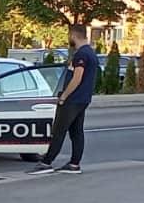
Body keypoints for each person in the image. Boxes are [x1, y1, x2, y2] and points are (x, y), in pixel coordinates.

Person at [29, 25, 100, 175]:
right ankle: (74, 163)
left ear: (73, 35)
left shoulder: (81, 55)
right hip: (83, 99)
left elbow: (77, 77)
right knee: (76, 132)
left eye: (69, 36)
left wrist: (64, 96)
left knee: (58, 131)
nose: (69, 39)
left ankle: (46, 162)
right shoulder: (91, 53)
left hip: (72, 99)